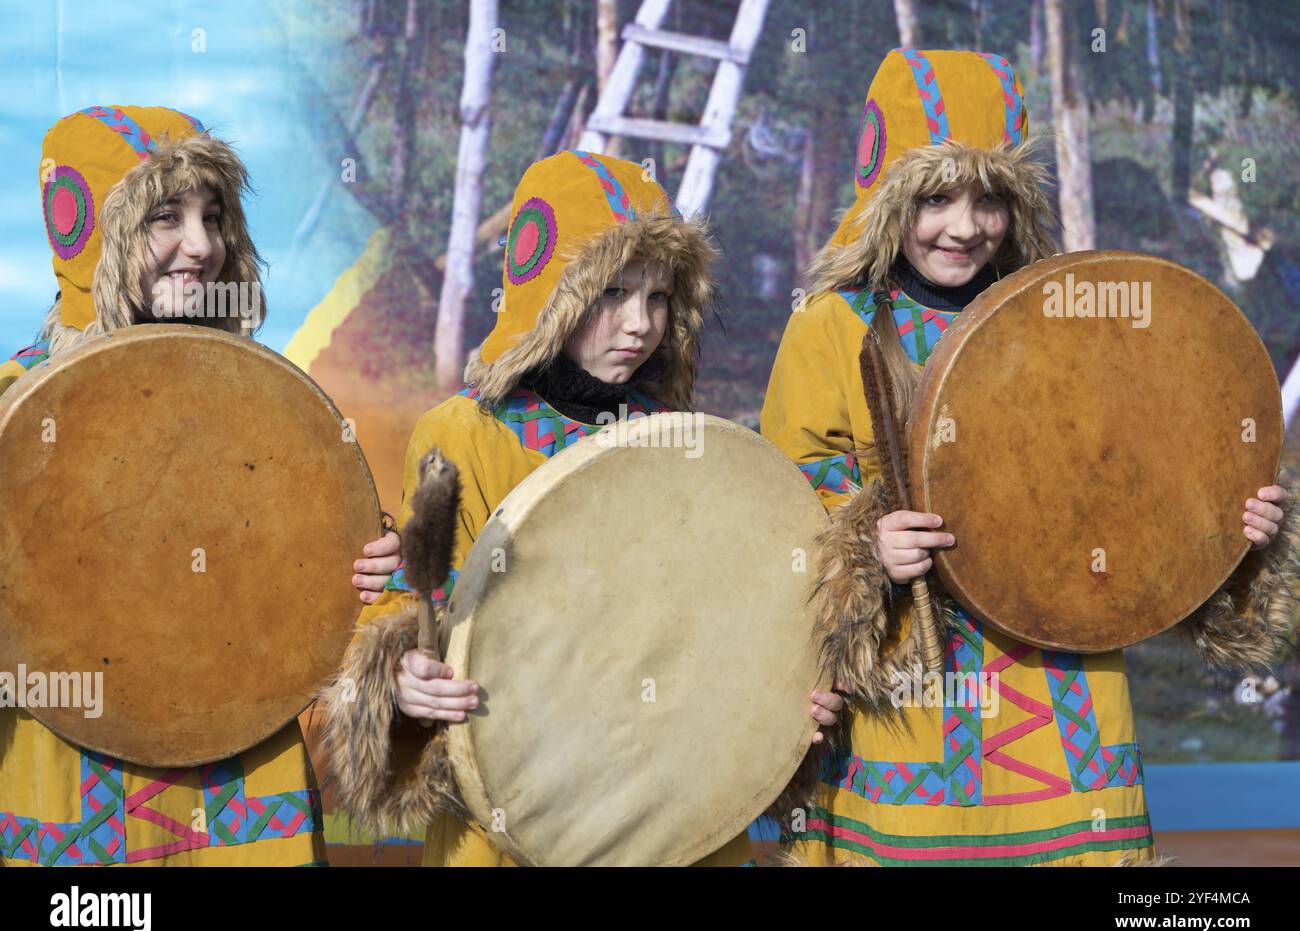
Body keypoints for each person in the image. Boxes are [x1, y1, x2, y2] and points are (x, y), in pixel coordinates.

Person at [760, 50, 1296, 865]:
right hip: (910, 691)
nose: (965, 225)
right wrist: (862, 543)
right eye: (935, 196)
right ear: (886, 194)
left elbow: (1130, 474)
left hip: (1065, 686)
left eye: (991, 198)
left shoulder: (1066, 317)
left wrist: (1227, 527)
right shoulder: (831, 324)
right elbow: (786, 491)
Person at [324, 149, 842, 866]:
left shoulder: (685, 444)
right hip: (517, 813)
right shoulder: (465, 435)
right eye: (612, 295)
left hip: (675, 815)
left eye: (660, 299)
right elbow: (413, 608)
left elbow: (726, 624)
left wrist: (783, 698)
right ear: (553, 295)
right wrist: (405, 676)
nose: (639, 326)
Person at [0, 105, 389, 865]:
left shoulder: (277, 411)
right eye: (164, 217)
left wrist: (375, 581)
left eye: (215, 217)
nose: (203, 247)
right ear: (90, 238)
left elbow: (334, 595)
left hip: (245, 806)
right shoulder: (12, 406)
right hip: (69, 801)